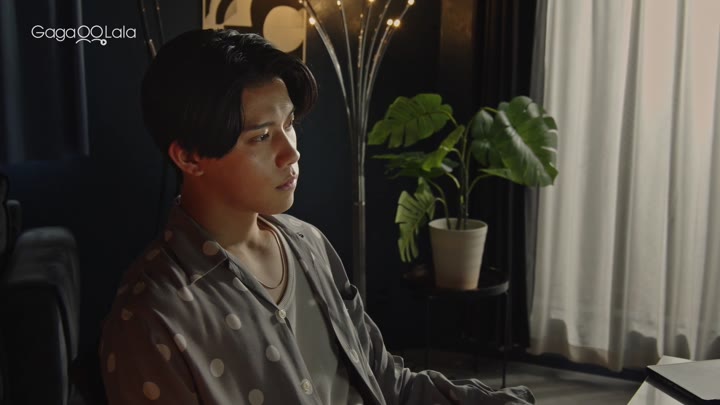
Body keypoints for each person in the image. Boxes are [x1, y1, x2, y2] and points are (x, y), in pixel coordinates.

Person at [100, 29, 535, 405]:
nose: (290, 152)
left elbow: (387, 383)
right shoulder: (152, 313)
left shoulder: (307, 243)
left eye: (289, 124)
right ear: (190, 157)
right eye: (261, 137)